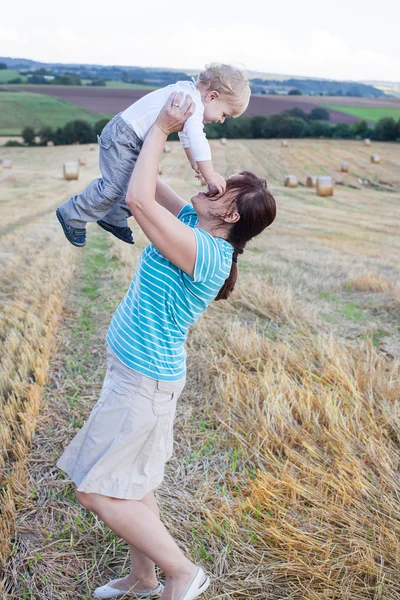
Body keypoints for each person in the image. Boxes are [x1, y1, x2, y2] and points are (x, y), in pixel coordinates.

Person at [56, 92, 276, 600]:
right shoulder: (198, 223)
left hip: (144, 385)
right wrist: (141, 133)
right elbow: (145, 179)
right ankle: (143, 578)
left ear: (234, 217)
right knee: (135, 485)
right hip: (140, 376)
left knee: (98, 491)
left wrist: (162, 127)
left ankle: (181, 572)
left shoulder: (205, 250)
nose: (214, 185)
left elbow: (137, 202)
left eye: (226, 189)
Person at [55, 62, 251, 248]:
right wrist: (210, 175)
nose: (221, 120)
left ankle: (113, 216)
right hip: (122, 138)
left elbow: (186, 135)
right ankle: (72, 214)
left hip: (132, 141)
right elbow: (197, 138)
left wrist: (193, 160)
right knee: (113, 188)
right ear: (212, 97)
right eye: (224, 114)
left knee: (140, 183)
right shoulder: (189, 101)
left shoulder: (188, 96)